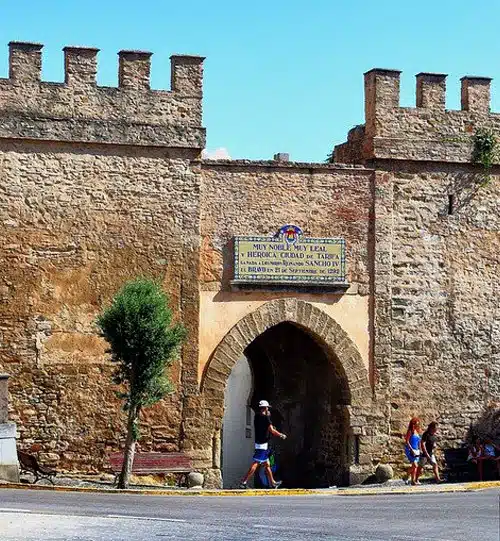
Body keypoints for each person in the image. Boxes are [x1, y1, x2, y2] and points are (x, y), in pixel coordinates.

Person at [239, 400, 287, 489]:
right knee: (256, 463)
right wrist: (281, 435)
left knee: (267, 464)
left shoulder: (256, 417)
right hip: (262, 444)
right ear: (265, 408)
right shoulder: (266, 418)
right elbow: (272, 430)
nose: (268, 409)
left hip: (259, 442)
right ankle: (244, 481)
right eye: (267, 407)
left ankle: (272, 482)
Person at [404, 417, 421, 485]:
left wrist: (420, 449)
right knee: (415, 465)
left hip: (416, 450)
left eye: (417, 423)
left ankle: (412, 481)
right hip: (410, 450)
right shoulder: (410, 431)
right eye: (415, 423)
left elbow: (418, 441)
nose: (416, 424)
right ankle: (407, 476)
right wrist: (411, 449)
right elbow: (407, 441)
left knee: (414, 467)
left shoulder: (417, 431)